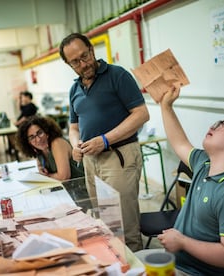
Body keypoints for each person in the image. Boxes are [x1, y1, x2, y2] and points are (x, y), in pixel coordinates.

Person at [157, 85, 224, 275]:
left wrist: (182, 242)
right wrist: (166, 106)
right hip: (177, 263)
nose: (213, 126)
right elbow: (179, 142)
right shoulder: (203, 163)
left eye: (223, 124)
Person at [59, 33, 150, 251]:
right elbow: (73, 127)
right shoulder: (74, 89)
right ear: (68, 64)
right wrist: (75, 144)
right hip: (91, 161)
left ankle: (135, 266)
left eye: (85, 56)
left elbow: (141, 114)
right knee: (106, 223)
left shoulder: (117, 75)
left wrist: (105, 140)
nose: (83, 64)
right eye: (75, 62)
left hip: (118, 157)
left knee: (124, 225)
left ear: (91, 49)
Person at [15, 115, 84, 181]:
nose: (38, 139)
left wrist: (43, 176)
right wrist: (40, 168)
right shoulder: (39, 149)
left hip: (80, 187)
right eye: (32, 137)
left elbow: (64, 177)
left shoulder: (57, 143)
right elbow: (40, 164)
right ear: (28, 142)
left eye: (40, 133)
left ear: (47, 132)